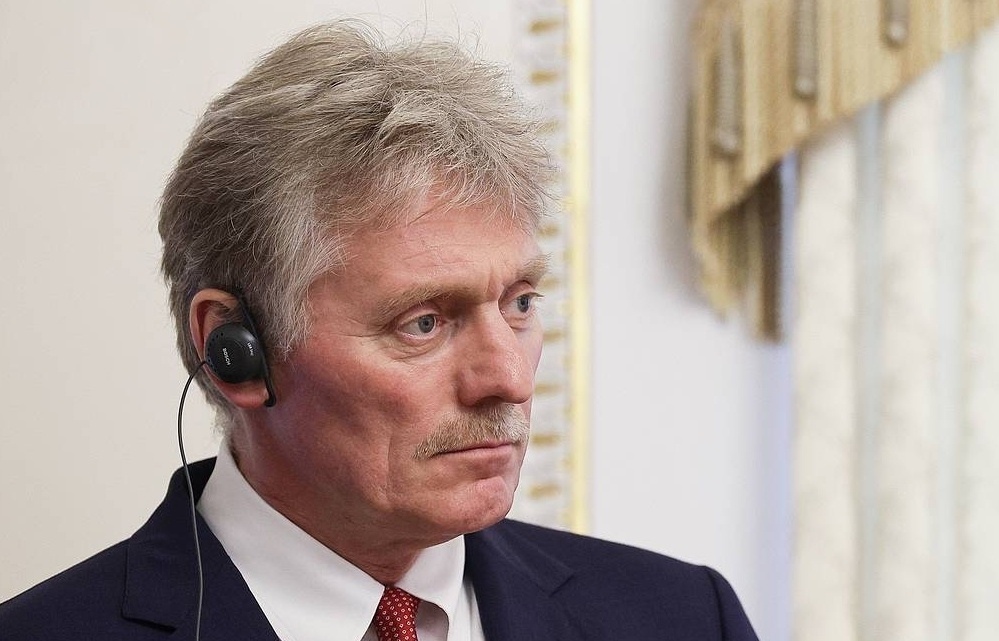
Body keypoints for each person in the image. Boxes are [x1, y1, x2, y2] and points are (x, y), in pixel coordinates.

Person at [0, 21, 759, 641]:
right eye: (423, 322)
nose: (509, 378)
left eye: (520, 303)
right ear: (235, 351)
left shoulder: (686, 618)